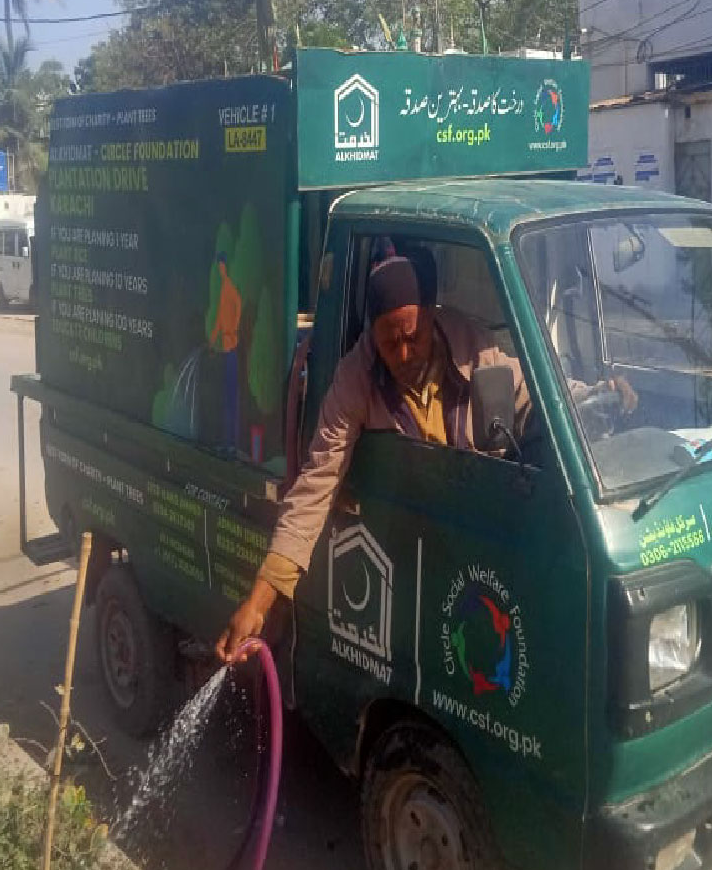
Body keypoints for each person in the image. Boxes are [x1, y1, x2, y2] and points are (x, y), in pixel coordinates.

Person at [216, 252, 636, 661]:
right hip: (410, 548)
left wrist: (598, 396)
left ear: (432, 319)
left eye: (412, 338)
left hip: (475, 532)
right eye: (388, 342)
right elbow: (313, 488)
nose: (401, 355)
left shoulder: (476, 350)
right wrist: (258, 600)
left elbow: (536, 398)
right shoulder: (354, 379)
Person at [209, 252, 243, 451]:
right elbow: (220, 320)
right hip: (225, 348)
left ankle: (232, 443)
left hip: (231, 349)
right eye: (218, 266)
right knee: (226, 399)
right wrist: (212, 340)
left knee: (231, 398)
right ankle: (227, 441)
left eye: (221, 265)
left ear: (225, 266)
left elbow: (238, 305)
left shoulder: (229, 288)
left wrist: (235, 327)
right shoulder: (223, 289)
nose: (220, 269)